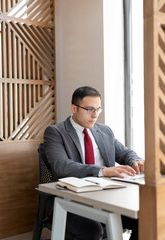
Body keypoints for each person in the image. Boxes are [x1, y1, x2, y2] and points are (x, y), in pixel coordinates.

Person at [44, 86, 144, 240]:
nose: (95, 115)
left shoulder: (104, 131)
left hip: (106, 198)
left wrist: (135, 160)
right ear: (74, 108)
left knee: (144, 218)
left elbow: (124, 152)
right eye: (90, 109)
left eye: (98, 109)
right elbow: (61, 166)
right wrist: (103, 171)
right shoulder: (56, 132)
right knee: (94, 231)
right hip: (71, 200)